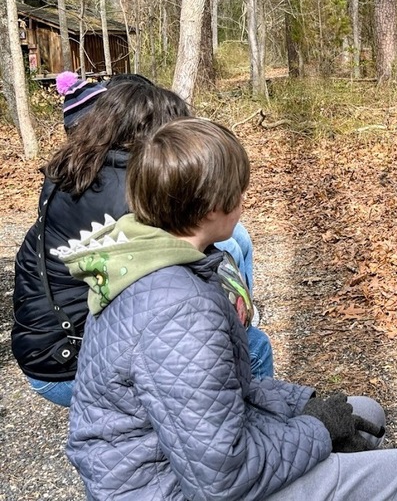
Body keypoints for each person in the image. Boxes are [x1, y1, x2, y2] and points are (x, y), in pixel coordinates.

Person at [56, 118, 397, 500]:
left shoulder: (151, 262)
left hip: (179, 461)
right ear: (212, 207)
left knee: (365, 413)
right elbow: (221, 479)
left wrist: (302, 403)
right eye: (239, 191)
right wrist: (318, 429)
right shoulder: (181, 309)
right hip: (170, 486)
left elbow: (224, 394)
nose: (244, 202)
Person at [11, 79, 272, 407]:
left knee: (236, 238)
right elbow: (180, 274)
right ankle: (254, 416)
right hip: (71, 362)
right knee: (254, 346)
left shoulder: (76, 166)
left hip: (42, 345)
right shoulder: (132, 193)